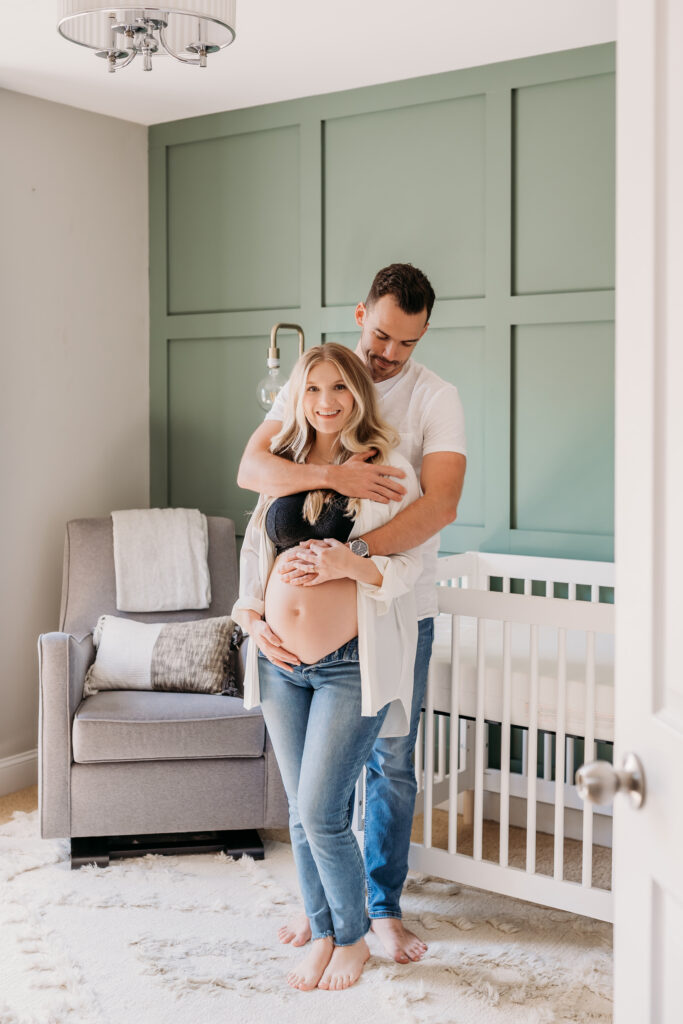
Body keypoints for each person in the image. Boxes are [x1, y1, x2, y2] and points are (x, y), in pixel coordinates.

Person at [238, 263, 467, 963]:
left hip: (395, 611)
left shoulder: (433, 399)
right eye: (382, 335)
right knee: (313, 798)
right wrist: (335, 476)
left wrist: (353, 553)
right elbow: (256, 471)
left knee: (390, 763)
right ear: (361, 313)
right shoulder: (317, 379)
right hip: (289, 652)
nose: (389, 353)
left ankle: (380, 910)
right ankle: (330, 912)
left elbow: (440, 506)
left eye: (407, 343)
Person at [232, 343, 423, 991]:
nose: (325, 401)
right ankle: (321, 931)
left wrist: (353, 561)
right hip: (281, 663)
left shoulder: (386, 465)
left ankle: (352, 937)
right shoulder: (282, 463)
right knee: (299, 810)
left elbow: (411, 565)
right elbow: (255, 550)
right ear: (298, 395)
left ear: (358, 394)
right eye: (312, 388)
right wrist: (252, 619)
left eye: (339, 387)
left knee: (321, 811)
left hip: (348, 665)